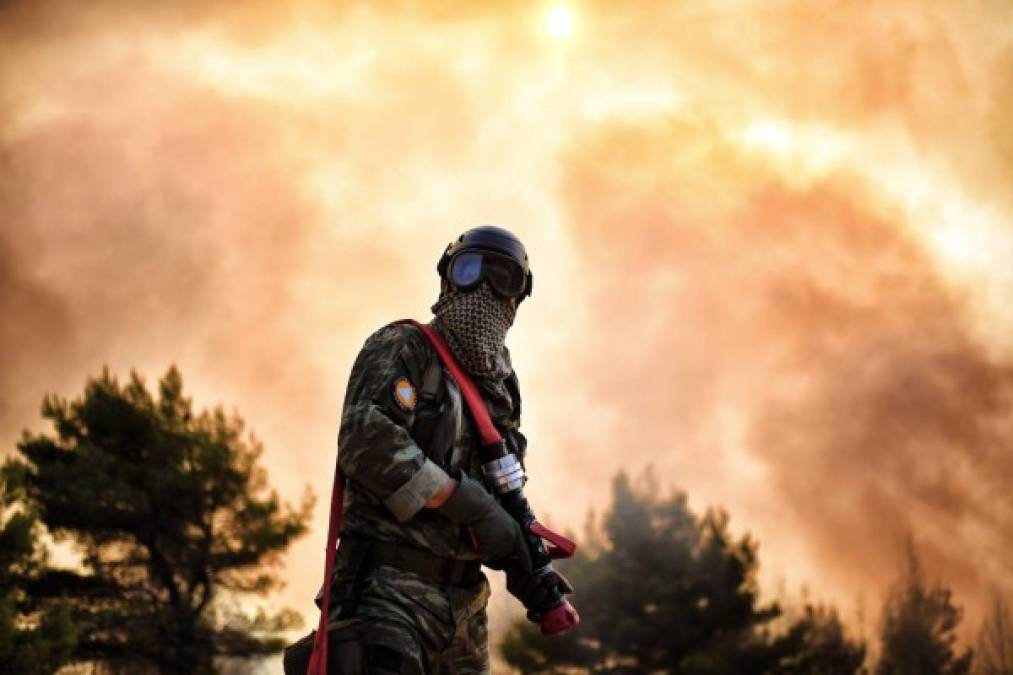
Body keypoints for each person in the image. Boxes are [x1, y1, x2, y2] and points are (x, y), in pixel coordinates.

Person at [285, 226, 568, 675]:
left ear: (519, 298)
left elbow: (501, 489)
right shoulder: (405, 348)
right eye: (471, 270)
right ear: (447, 278)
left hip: (464, 613)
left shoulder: (500, 388)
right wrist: (465, 503)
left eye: (503, 278)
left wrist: (519, 557)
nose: (484, 290)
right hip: (387, 595)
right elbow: (366, 441)